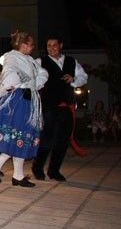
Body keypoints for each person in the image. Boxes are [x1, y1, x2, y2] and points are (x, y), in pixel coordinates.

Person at [0, 31, 48, 188]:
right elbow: (9, 77)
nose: (32, 47)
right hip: (19, 100)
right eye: (30, 44)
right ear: (22, 44)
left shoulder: (30, 60)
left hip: (29, 99)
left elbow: (42, 73)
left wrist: (34, 83)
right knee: (20, 135)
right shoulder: (12, 57)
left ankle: (1, 166)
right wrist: (21, 82)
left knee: (19, 136)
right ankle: (16, 175)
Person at [32, 36, 88, 181]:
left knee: (63, 139)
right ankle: (37, 168)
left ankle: (54, 171)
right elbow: (28, 75)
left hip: (67, 106)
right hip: (49, 106)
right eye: (48, 45)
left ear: (61, 45)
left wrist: (74, 79)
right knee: (47, 139)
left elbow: (84, 77)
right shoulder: (40, 61)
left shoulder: (71, 61)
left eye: (54, 45)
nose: (51, 48)